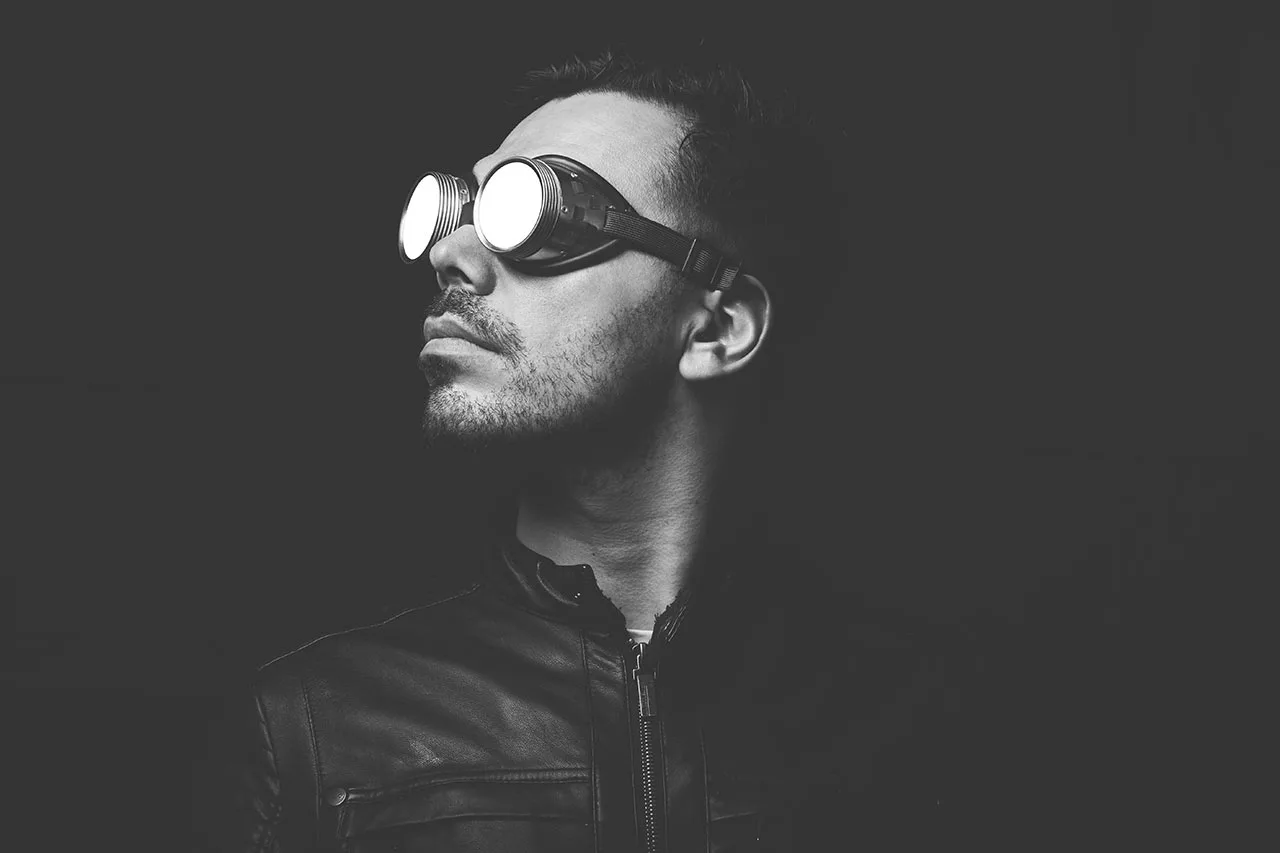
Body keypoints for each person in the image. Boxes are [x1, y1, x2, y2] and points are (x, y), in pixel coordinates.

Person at [211, 46, 958, 852]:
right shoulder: (317, 735)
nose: (452, 255)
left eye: (540, 211)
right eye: (466, 211)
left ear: (716, 327)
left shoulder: (916, 717)